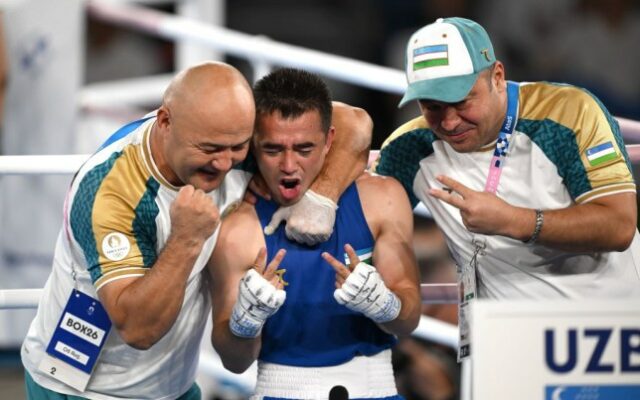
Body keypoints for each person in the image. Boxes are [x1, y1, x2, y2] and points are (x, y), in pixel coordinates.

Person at [21, 61, 372, 399]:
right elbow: (138, 330)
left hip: (174, 387)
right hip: (84, 389)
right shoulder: (110, 191)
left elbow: (355, 123)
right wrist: (187, 238)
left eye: (238, 147)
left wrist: (320, 198)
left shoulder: (227, 129)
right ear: (165, 122)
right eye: (210, 149)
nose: (224, 163)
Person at [372, 17, 640, 357]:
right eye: (433, 107)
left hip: (608, 335)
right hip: (505, 348)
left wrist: (515, 221)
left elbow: (619, 225)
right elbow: (360, 216)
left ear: (497, 76)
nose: (450, 122)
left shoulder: (567, 113)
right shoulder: (411, 147)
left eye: (462, 101)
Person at [208, 68, 421, 399]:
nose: (289, 165)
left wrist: (384, 304)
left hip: (377, 387)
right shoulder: (238, 230)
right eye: (273, 150)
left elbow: (408, 320)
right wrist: (245, 321)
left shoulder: (381, 199)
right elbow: (234, 361)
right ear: (253, 146)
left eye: (304, 148)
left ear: (330, 140)